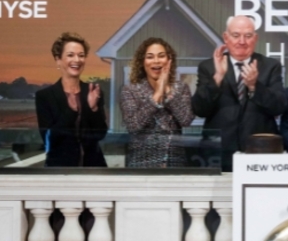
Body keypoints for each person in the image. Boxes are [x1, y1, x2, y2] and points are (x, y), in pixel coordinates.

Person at [192, 15, 287, 171]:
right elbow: (199, 109)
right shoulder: (209, 67)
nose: (242, 41)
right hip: (218, 154)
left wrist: (254, 86)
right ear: (226, 37)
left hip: (260, 153)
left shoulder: (270, 66)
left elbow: (279, 107)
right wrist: (217, 78)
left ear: (255, 38)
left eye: (248, 36)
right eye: (236, 35)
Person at [35, 32, 108, 167]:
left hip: (93, 168)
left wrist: (93, 109)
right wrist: (71, 112)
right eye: (70, 55)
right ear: (58, 59)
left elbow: (100, 134)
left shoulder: (92, 92)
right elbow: (49, 139)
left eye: (81, 55)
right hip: (60, 168)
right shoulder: (45, 96)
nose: (77, 60)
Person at [120, 37, 194, 168]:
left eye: (161, 56)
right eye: (150, 57)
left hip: (174, 164)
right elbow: (133, 125)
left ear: (169, 60)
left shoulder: (181, 88)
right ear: (142, 62)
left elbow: (186, 120)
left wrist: (167, 90)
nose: (156, 61)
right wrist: (157, 94)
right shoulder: (130, 90)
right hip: (141, 164)